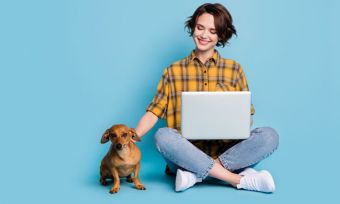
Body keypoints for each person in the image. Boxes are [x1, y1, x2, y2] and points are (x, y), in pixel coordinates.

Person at [134, 3, 279, 193]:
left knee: (269, 136)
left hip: (227, 153)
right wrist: (131, 137)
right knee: (163, 135)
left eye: (212, 31)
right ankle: (237, 179)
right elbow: (153, 112)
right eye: (200, 28)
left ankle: (195, 176)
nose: (204, 35)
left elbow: (247, 119)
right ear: (193, 26)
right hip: (183, 158)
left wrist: (234, 120)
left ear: (221, 35)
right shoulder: (173, 71)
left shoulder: (234, 70)